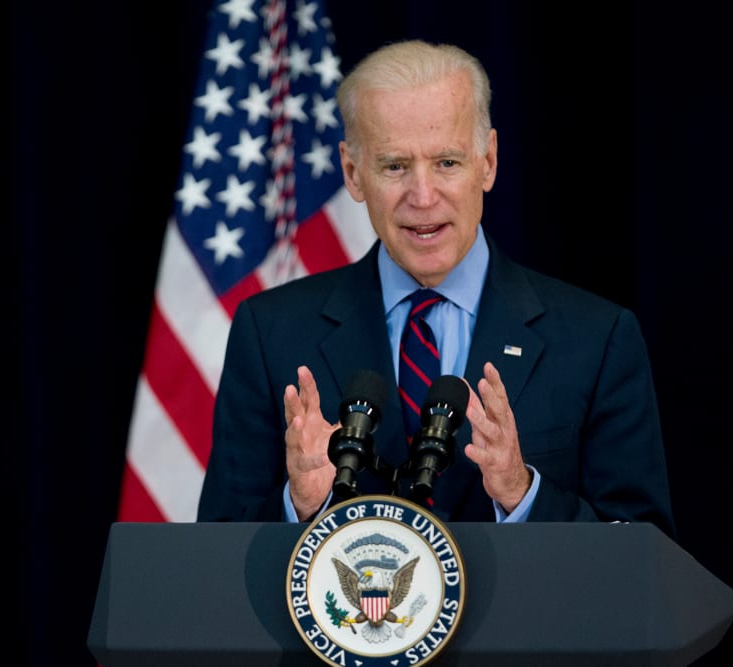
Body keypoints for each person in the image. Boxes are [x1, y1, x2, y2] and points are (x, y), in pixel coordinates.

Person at [196, 39, 675, 538]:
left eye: (447, 162)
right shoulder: (270, 332)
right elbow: (216, 550)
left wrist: (521, 493)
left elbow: (643, 554)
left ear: (487, 162)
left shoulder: (596, 339)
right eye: (394, 166)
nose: (422, 198)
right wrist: (298, 505)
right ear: (353, 172)